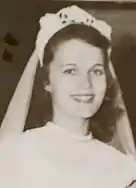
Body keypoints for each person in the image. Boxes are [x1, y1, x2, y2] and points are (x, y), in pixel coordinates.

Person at [0, 5, 136, 188]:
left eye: (96, 71)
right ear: (46, 81)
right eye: (71, 71)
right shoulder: (16, 153)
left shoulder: (124, 167)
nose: (86, 84)